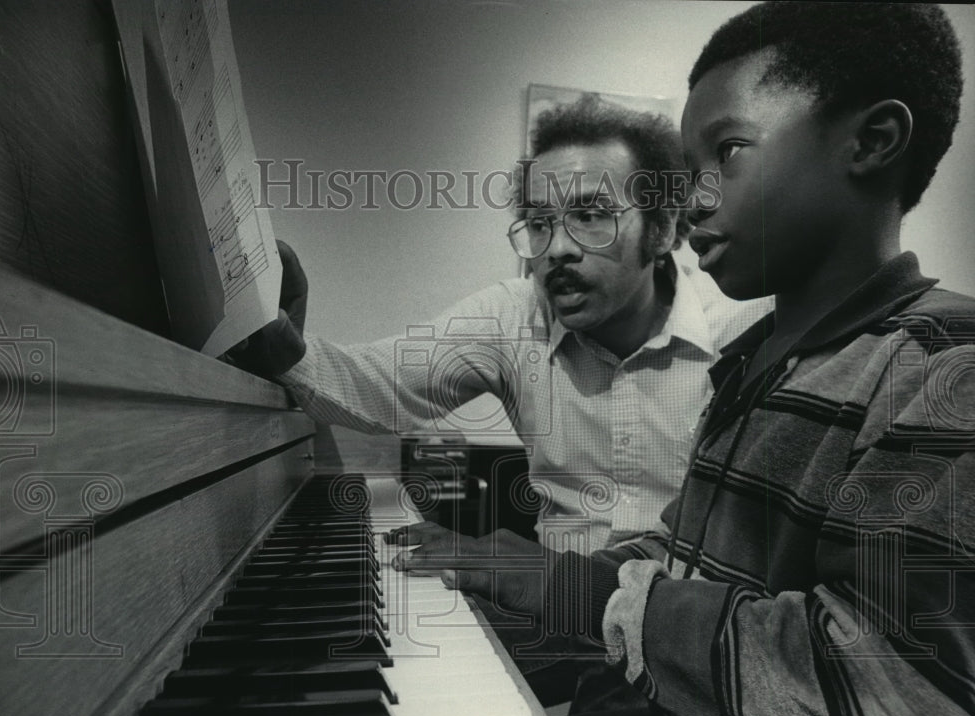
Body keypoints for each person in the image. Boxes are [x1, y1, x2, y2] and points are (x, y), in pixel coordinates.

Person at [404, 1, 975, 716]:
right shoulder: (752, 354)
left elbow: (901, 685)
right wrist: (525, 571)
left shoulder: (944, 365)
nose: (691, 198)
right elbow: (687, 559)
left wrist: (585, 596)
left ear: (872, 142)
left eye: (729, 151)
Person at [247, 96, 767, 559]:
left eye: (590, 215)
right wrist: (282, 345)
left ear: (663, 228)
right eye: (540, 223)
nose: (557, 248)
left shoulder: (746, 329)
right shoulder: (517, 315)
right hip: (560, 621)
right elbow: (382, 384)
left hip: (689, 638)